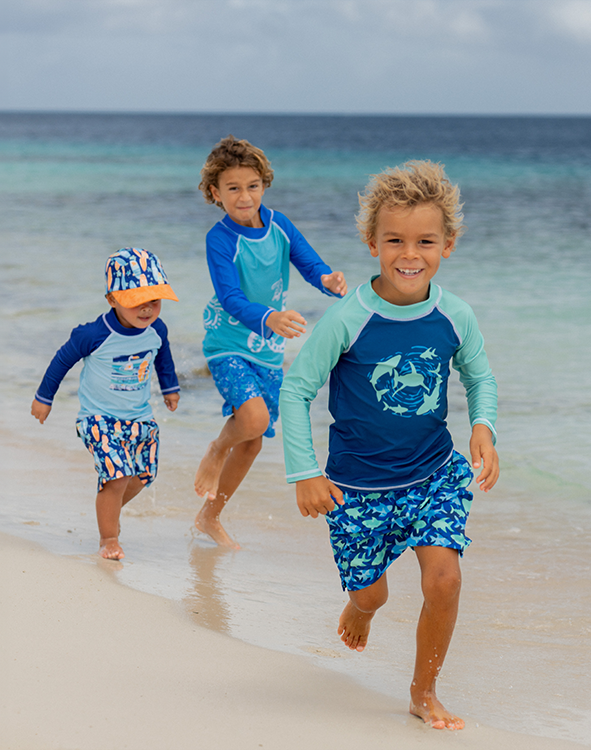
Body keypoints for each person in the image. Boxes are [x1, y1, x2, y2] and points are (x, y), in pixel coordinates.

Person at [280, 160, 499, 730]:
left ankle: (423, 691)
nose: (410, 254)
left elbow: (479, 377)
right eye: (395, 240)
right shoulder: (348, 319)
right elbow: (297, 390)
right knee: (373, 596)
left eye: (425, 241)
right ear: (371, 242)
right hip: (357, 488)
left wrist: (483, 426)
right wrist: (305, 472)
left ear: (447, 245)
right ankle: (360, 606)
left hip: (432, 475)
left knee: (445, 578)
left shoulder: (455, 316)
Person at [193, 135, 348, 549]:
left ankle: (209, 516)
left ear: (264, 185)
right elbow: (230, 298)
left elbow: (309, 262)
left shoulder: (280, 225)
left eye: (252, 186)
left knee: (254, 440)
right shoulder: (220, 239)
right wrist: (271, 318)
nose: (244, 197)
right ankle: (215, 448)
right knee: (254, 420)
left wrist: (328, 280)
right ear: (215, 193)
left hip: (267, 347)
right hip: (228, 341)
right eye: (233, 188)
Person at [31, 247, 181, 561]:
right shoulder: (93, 334)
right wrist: (44, 398)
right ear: (112, 299)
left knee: (141, 477)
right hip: (98, 418)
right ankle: (108, 537)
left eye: (154, 301)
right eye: (136, 302)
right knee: (116, 476)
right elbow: (61, 361)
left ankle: (107, 507)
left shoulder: (157, 329)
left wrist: (170, 388)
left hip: (140, 419)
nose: (146, 310)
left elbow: (162, 357)